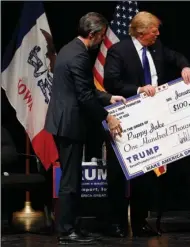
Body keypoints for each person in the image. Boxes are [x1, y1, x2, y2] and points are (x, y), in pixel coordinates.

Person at [103, 11, 190, 238]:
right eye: (154, 31)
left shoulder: (156, 47)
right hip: (125, 120)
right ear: (142, 33)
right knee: (119, 173)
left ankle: (141, 221)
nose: (158, 34)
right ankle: (116, 223)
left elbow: (175, 56)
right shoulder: (118, 51)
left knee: (147, 172)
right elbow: (111, 82)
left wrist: (184, 66)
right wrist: (138, 90)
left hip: (153, 119)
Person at [45, 12, 125, 244]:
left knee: (74, 176)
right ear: (93, 34)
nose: (102, 39)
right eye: (101, 35)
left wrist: (109, 98)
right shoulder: (79, 56)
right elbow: (84, 96)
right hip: (68, 123)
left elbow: (86, 88)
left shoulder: (70, 48)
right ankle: (66, 230)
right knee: (70, 179)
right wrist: (107, 117)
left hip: (64, 120)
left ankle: (72, 225)